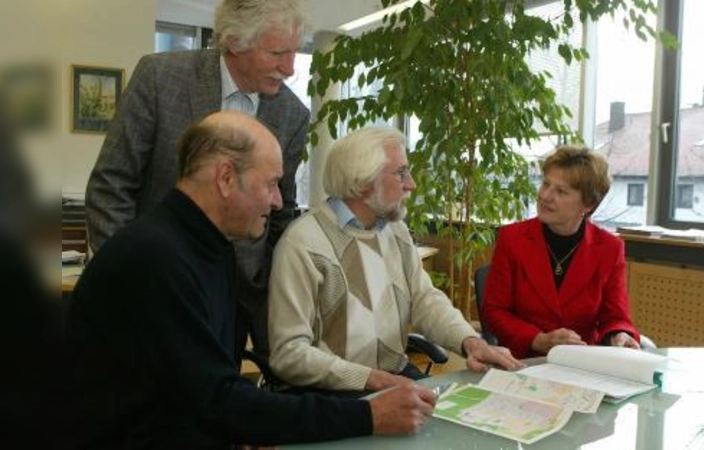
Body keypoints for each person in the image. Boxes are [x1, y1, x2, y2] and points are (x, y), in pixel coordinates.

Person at [64, 112, 436, 449]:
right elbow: (216, 399)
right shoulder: (154, 258)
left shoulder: (213, 246)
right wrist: (368, 416)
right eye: (271, 183)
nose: (277, 201)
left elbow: (211, 385)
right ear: (226, 178)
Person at [85, 0, 309, 357]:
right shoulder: (161, 78)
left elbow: (281, 211)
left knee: (213, 402)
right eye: (277, 53)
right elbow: (110, 186)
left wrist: (263, 295)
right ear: (234, 42)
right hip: (150, 285)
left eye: (294, 52)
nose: (290, 67)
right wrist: (129, 275)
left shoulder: (292, 114)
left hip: (232, 301)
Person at [267, 126, 524, 393]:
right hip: (331, 394)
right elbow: (289, 353)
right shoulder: (304, 243)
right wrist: (371, 379)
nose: (411, 184)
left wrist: (470, 341)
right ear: (363, 181)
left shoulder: (396, 232)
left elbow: (425, 300)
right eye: (401, 173)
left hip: (394, 379)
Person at [482, 145, 641, 359]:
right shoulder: (512, 238)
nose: (545, 196)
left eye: (561, 191)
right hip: (523, 361)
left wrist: (619, 335)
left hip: (582, 363)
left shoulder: (610, 249)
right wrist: (538, 339)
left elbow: (615, 318)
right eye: (546, 184)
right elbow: (495, 311)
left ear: (587, 204)